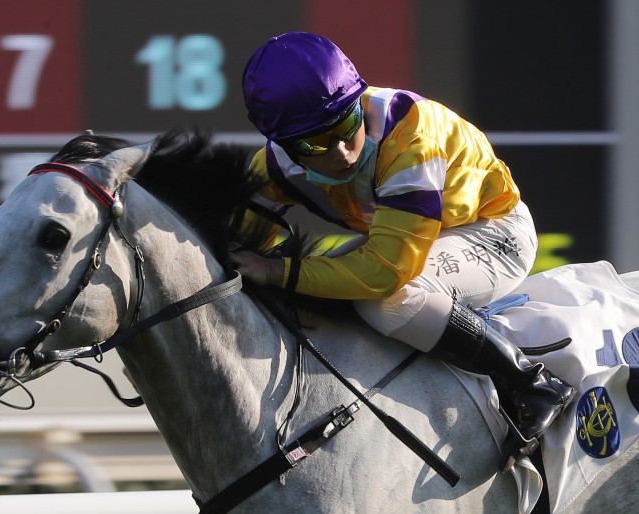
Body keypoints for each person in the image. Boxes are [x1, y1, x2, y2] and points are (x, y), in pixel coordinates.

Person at [231, 31, 573, 448]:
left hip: (494, 232)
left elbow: (385, 274)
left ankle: (528, 381)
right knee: (318, 289)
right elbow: (235, 245)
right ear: (283, 145)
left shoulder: (411, 140)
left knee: (385, 302)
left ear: (359, 103)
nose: (341, 152)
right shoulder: (272, 168)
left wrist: (275, 270)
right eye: (314, 143)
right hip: (427, 237)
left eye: (346, 125)